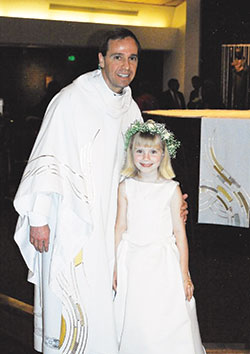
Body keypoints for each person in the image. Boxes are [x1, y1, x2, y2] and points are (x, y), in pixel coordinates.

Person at [13, 28, 188, 354]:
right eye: (117, 57)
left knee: (105, 306)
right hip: (71, 222)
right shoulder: (71, 101)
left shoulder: (130, 109)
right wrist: (38, 217)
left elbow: (141, 165)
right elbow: (46, 158)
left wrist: (168, 199)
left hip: (114, 223)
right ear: (101, 59)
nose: (126, 65)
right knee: (75, 299)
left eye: (132, 57)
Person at [113, 119, 205, 353]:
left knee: (165, 316)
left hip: (163, 263)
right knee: (137, 316)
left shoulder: (171, 189)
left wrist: (184, 274)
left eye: (153, 152)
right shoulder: (125, 187)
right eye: (140, 151)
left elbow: (180, 235)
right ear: (131, 153)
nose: (146, 158)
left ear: (163, 154)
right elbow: (120, 227)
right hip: (132, 261)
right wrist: (113, 266)